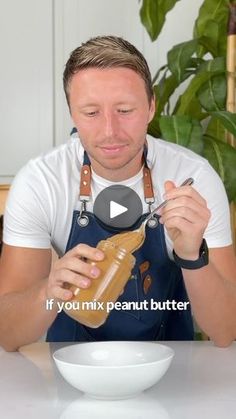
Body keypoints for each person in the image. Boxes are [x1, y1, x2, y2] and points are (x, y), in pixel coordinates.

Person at [0, 36, 235, 351]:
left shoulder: (193, 178)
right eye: (91, 113)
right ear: (72, 113)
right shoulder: (41, 181)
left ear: (151, 107)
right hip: (70, 372)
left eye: (125, 110)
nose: (110, 130)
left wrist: (192, 256)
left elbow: (226, 330)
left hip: (173, 369)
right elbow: (6, 333)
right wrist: (47, 293)